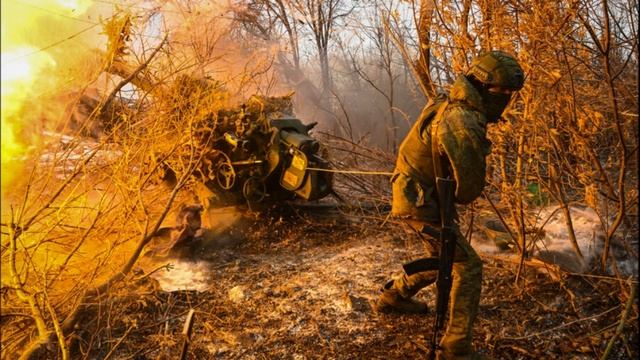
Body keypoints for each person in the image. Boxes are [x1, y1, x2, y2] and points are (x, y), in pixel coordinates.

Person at [374, 51, 525, 359]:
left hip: (418, 194)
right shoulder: (462, 119)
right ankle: (456, 348)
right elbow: (468, 190)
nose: (507, 98)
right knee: (467, 265)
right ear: (483, 86)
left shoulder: (451, 99)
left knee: (444, 256)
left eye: (511, 93)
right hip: (421, 199)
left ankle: (393, 296)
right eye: (502, 92)